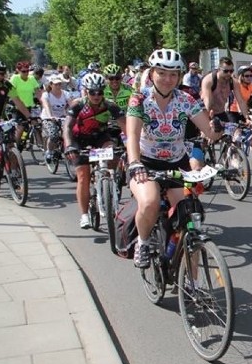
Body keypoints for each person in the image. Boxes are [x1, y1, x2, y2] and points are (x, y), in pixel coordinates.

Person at [125, 48, 224, 268]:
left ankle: (193, 285)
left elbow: (209, 133)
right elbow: (131, 135)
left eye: (173, 74)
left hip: (176, 163)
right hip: (145, 163)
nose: (168, 79)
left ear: (180, 76)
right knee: (150, 202)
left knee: (191, 217)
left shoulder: (186, 99)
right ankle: (142, 242)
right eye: (162, 73)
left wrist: (216, 128)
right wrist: (134, 163)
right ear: (152, 74)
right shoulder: (139, 99)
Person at [63, 73, 125, 229]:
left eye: (100, 92)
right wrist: (69, 145)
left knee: (114, 152)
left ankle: (109, 183)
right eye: (92, 92)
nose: (96, 96)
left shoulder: (110, 105)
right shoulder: (78, 104)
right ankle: (84, 215)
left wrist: (132, 144)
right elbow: (67, 127)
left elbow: (125, 126)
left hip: (100, 137)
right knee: (83, 176)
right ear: (86, 91)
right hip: (79, 140)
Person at [199, 56, 249, 123]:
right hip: (206, 112)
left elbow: (241, 101)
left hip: (221, 112)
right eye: (225, 71)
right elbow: (207, 102)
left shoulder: (234, 82)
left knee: (232, 131)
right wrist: (207, 120)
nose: (229, 74)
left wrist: (247, 118)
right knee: (209, 132)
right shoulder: (209, 81)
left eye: (231, 71)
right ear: (219, 69)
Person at [40, 73, 73, 162]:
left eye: (59, 84)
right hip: (48, 117)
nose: (58, 86)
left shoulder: (66, 93)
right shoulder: (46, 95)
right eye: (56, 84)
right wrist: (50, 116)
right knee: (53, 134)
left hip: (62, 117)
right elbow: (46, 106)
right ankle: (49, 151)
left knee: (70, 132)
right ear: (51, 85)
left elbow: (72, 105)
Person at [9, 61, 40, 147]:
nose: (26, 73)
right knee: (21, 127)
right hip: (17, 108)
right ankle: (16, 146)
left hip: (29, 107)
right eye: (23, 71)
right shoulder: (15, 78)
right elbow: (12, 94)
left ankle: (42, 147)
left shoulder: (32, 79)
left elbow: (39, 93)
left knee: (37, 125)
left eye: (27, 70)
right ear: (18, 71)